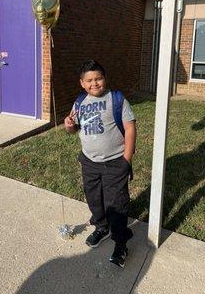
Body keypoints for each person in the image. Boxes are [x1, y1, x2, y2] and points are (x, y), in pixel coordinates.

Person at [64, 59, 136, 268]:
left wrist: (126, 159)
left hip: (115, 162)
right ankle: (102, 227)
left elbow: (130, 129)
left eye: (98, 79)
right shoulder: (79, 102)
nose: (94, 83)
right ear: (82, 83)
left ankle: (121, 243)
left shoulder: (117, 99)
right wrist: (68, 125)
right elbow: (73, 129)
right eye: (89, 80)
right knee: (94, 198)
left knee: (117, 203)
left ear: (105, 79)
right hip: (89, 162)